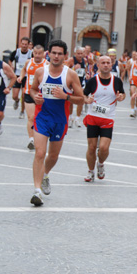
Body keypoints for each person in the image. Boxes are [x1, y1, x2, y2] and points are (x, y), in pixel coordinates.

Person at [29, 40, 84, 206]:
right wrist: (35, 97)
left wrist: (65, 96)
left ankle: (45, 174)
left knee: (53, 156)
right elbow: (32, 89)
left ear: (65, 56)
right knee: (39, 153)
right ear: (49, 54)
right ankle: (37, 191)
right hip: (42, 117)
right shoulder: (40, 72)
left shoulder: (70, 75)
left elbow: (81, 99)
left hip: (60, 119)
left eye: (60, 53)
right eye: (54, 53)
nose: (56, 56)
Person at [82, 55, 126, 182]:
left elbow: (122, 94)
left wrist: (121, 97)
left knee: (104, 148)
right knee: (91, 147)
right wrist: (87, 100)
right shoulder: (92, 81)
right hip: (93, 117)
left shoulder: (116, 81)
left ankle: (100, 163)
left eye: (108, 62)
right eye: (103, 63)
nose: (106, 65)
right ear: (98, 65)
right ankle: (90, 171)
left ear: (111, 65)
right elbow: (83, 96)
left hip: (108, 118)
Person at [18, 44, 48, 150]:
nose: (37, 55)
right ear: (33, 53)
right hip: (28, 92)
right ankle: (31, 139)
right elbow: (23, 70)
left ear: (43, 54)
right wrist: (21, 77)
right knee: (31, 117)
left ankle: (39, 137)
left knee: (39, 118)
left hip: (41, 94)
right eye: (35, 53)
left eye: (40, 53)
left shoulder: (46, 64)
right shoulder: (29, 62)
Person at [10, 37, 32, 118]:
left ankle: (22, 111)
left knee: (23, 95)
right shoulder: (16, 52)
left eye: (26, 44)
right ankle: (16, 100)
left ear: (28, 45)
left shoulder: (31, 53)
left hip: (26, 76)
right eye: (22, 44)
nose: (24, 46)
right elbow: (10, 59)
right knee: (14, 95)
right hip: (17, 75)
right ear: (20, 44)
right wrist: (11, 66)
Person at [65, 46, 87, 128]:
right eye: (78, 53)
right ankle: (70, 118)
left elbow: (86, 69)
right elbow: (65, 70)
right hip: (72, 83)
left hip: (81, 82)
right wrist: (74, 68)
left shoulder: (84, 60)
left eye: (81, 53)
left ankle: (78, 118)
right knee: (71, 100)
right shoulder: (71, 60)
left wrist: (87, 74)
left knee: (81, 100)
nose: (80, 55)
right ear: (75, 54)